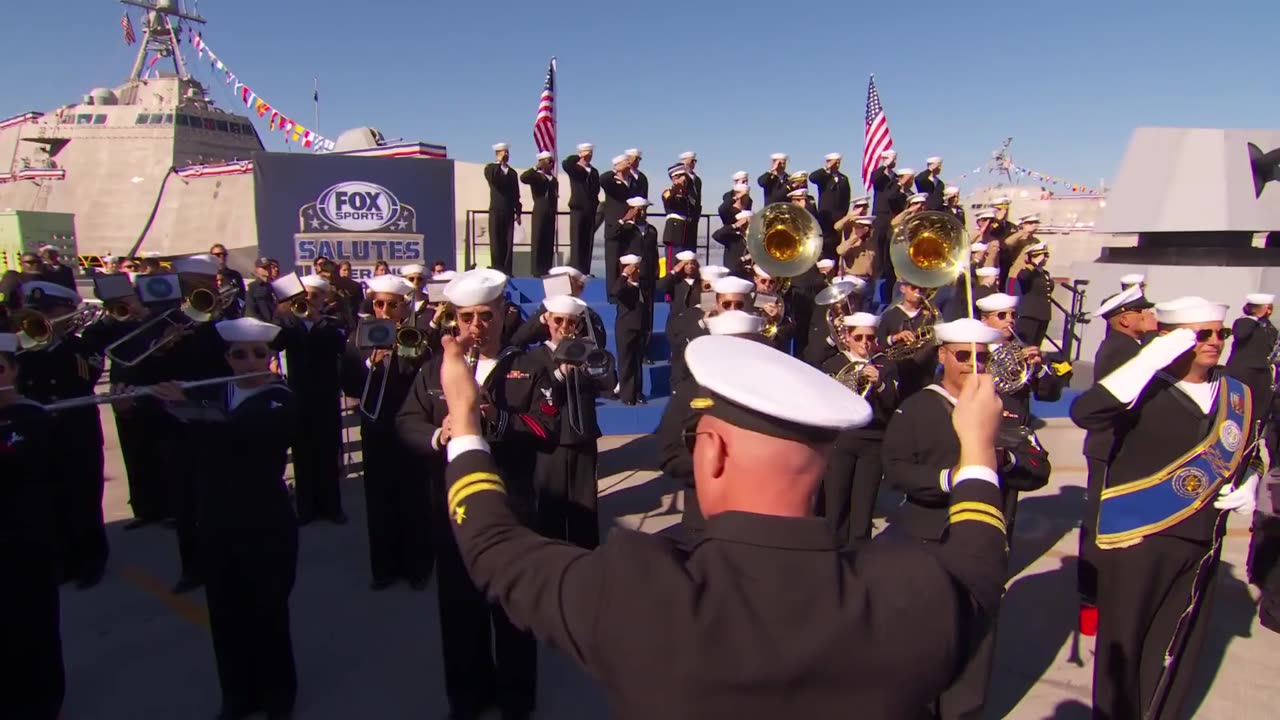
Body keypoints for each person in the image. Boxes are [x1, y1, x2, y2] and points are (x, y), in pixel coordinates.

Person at [436, 329, 1010, 718]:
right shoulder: (912, 598)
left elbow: (492, 545)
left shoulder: (635, 591)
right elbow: (981, 560)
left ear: (710, 454)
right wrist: (978, 451)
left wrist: (464, 422)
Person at [1070, 297, 1264, 720]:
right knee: (1124, 648)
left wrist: (1252, 480)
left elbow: (1250, 449)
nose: (1215, 342)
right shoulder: (1141, 387)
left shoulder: (1237, 393)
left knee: (1179, 650)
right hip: (1137, 538)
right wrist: (1149, 359)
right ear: (1171, 339)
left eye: (1221, 333)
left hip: (1201, 542)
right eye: (1202, 334)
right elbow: (1085, 412)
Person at [396, 268, 558, 720]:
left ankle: (516, 699)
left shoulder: (531, 366)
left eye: (485, 316)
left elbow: (548, 429)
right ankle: (466, 696)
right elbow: (406, 422)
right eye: (466, 318)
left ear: (504, 315)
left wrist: (497, 421)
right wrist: (437, 434)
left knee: (512, 607)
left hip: (512, 507)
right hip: (453, 508)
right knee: (459, 610)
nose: (475, 327)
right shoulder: (434, 370)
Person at [882, 318, 1050, 720]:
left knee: (977, 640)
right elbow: (895, 468)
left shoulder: (1003, 409)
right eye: (962, 356)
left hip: (986, 542)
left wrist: (1003, 458)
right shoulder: (918, 407)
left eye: (983, 356)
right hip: (927, 541)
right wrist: (949, 479)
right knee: (924, 644)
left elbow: (1038, 467)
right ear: (942, 356)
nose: (974, 364)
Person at [151, 317, 299, 720]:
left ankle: (277, 697)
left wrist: (182, 407)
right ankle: (238, 695)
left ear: (270, 358)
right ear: (227, 359)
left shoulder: (279, 397)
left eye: (259, 354)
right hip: (216, 518)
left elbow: (241, 432)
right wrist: (151, 401)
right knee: (225, 612)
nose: (249, 362)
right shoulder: (215, 392)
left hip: (265, 519)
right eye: (239, 355)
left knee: (268, 612)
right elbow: (178, 437)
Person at [340, 274, 433, 591]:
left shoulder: (416, 335)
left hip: (410, 424)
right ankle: (384, 568)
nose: (383, 310)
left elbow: (423, 376)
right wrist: (370, 364)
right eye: (378, 304)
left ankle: (417, 566)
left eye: (391, 305)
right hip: (376, 425)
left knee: (414, 497)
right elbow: (348, 381)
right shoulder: (358, 337)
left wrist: (402, 351)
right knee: (379, 499)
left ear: (402, 306)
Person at [15, 281, 108, 588]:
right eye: (37, 312)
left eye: (50, 312)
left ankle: (90, 561)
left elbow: (87, 376)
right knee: (50, 495)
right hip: (40, 430)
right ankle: (64, 560)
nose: (42, 318)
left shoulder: (81, 346)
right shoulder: (22, 348)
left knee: (83, 494)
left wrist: (58, 342)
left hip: (76, 428)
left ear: (68, 312)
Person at [1076, 284, 1156, 623]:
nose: (1149, 317)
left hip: (1115, 445)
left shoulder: (1126, 345)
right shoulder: (1122, 351)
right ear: (1124, 319)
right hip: (1110, 446)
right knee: (1100, 523)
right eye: (1142, 312)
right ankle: (1092, 599)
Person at [0, 334, 65, 719]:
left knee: (34, 624)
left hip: (26, 539)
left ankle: (42, 701)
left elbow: (41, 472)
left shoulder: (32, 417)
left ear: (14, 371)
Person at [528, 294, 616, 549]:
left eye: (571, 322)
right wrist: (559, 374)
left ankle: (586, 561)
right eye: (559, 320)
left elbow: (609, 385)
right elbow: (535, 398)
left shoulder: (586, 353)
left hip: (583, 438)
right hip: (551, 441)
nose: (564, 327)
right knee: (550, 509)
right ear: (548, 321)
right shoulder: (534, 358)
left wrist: (595, 358)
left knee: (585, 509)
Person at [273, 274, 348, 525]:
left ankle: (332, 507)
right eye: (304, 295)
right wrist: (285, 312)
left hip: (326, 394)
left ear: (324, 297)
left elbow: (340, 345)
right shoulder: (288, 323)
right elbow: (275, 343)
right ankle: (306, 507)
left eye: (314, 295)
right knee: (303, 451)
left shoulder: (332, 321)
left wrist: (317, 320)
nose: (309, 300)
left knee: (327, 450)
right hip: (299, 393)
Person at [819, 312, 897, 546]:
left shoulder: (885, 364)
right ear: (848, 338)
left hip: (872, 440)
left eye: (870, 338)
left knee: (863, 505)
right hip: (841, 439)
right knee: (836, 501)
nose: (865, 343)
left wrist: (880, 383)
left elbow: (893, 403)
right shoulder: (834, 364)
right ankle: (833, 551)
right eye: (859, 337)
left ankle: (859, 556)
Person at [612, 254, 647, 405]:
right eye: (634, 269)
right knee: (626, 362)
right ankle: (627, 395)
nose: (637, 271)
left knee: (637, 362)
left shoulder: (642, 286)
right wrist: (625, 274)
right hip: (625, 328)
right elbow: (615, 291)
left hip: (640, 328)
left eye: (638, 268)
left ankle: (637, 392)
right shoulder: (623, 287)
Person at [562, 144, 600, 275]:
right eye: (586, 152)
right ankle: (576, 269)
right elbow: (565, 163)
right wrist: (578, 157)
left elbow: (596, 189)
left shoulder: (593, 171)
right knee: (577, 239)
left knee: (588, 239)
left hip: (590, 208)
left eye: (591, 152)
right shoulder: (575, 168)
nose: (589, 155)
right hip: (578, 207)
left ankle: (585, 269)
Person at [484, 143, 521, 276]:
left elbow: (516, 193)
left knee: (508, 241)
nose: (506, 155)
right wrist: (498, 163)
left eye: (507, 153)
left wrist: (518, 210)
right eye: (503, 152)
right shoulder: (490, 168)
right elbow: (493, 178)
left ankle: (507, 270)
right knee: (496, 240)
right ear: (497, 153)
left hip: (509, 210)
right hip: (496, 209)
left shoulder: (512, 173)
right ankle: (497, 269)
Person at [519, 151, 558, 277]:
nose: (551, 163)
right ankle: (537, 270)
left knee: (548, 240)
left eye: (552, 161)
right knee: (538, 239)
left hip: (551, 211)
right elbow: (524, 178)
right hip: (540, 208)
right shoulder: (536, 176)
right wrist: (536, 167)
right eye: (548, 161)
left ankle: (547, 268)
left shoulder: (554, 179)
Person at [809, 153, 852, 259]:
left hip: (838, 218)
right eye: (835, 162)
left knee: (837, 245)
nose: (837, 164)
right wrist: (827, 168)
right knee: (826, 244)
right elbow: (812, 178)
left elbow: (846, 197)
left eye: (838, 162)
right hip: (825, 217)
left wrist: (843, 214)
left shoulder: (843, 179)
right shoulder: (824, 177)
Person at [1013, 243, 1053, 346]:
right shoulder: (1027, 271)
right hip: (1030, 315)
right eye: (1042, 256)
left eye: (1046, 256)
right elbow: (1022, 277)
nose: (1045, 259)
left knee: (1036, 345)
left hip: (1043, 315)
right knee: (1026, 345)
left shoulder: (1045, 274)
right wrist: (1034, 264)